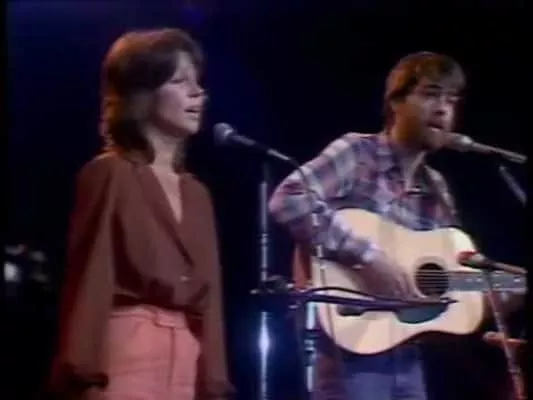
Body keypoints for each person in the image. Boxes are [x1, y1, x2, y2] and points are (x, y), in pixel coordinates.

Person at [268, 51, 466, 400]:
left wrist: (498, 288)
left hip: (408, 352)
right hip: (347, 344)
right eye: (431, 94)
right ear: (395, 102)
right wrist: (368, 257)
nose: (443, 109)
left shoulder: (437, 189)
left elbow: (443, 279)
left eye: (451, 100)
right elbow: (289, 198)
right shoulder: (358, 153)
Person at [50, 28, 233, 400]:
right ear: (142, 94)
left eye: (197, 81)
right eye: (179, 81)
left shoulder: (198, 194)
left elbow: (210, 299)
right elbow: (91, 279)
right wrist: (85, 376)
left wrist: (213, 379)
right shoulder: (110, 174)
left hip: (188, 360)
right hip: (129, 350)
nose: (198, 92)